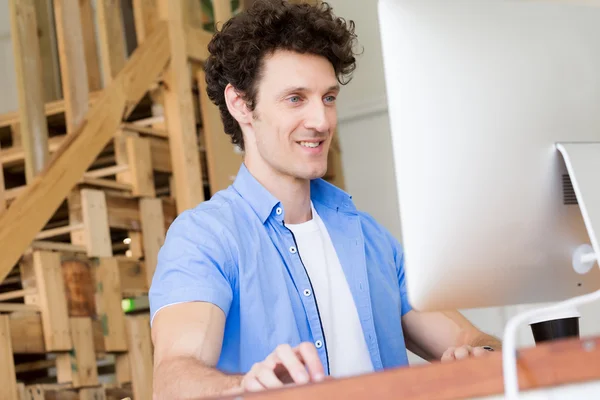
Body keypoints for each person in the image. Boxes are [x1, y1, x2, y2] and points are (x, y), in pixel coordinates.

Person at [149, 0, 502, 398]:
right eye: (296, 98)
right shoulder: (205, 238)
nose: (321, 121)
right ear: (241, 104)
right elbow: (173, 378)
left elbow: (474, 338)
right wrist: (245, 387)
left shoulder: (369, 238)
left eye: (329, 97)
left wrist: (481, 353)